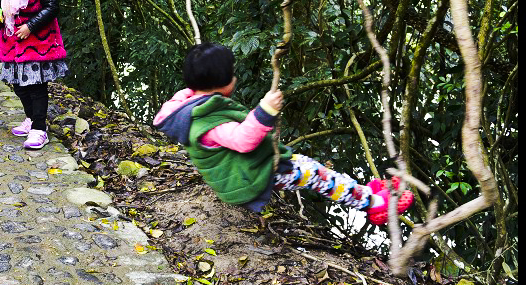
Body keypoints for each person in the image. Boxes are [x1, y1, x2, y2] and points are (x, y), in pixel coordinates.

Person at [153, 42, 414, 225]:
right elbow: (243, 141)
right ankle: (374, 204)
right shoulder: (206, 119)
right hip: (250, 175)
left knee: (313, 170)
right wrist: (264, 112)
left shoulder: (186, 103)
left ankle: (361, 192)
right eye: (232, 74)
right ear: (222, 83)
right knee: (314, 174)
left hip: (247, 169)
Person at [0, 0, 68, 149]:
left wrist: (31, 26)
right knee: (18, 86)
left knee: (36, 86)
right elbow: (2, 8)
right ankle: (30, 119)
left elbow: (52, 7)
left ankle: (39, 128)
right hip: (12, 42)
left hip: (38, 43)